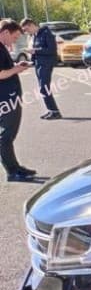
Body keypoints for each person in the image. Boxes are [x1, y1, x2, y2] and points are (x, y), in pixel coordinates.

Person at [0, 19, 35, 182]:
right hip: (6, 99)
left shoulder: (2, 48)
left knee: (8, 136)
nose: (15, 41)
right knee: (6, 136)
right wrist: (17, 69)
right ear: (6, 32)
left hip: (8, 97)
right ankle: (12, 171)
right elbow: (1, 74)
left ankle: (15, 167)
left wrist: (16, 67)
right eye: (14, 37)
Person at [20, 18, 61, 119]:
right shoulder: (35, 35)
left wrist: (35, 51)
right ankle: (51, 110)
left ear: (31, 25)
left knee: (44, 88)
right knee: (43, 88)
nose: (26, 32)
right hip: (39, 64)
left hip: (46, 64)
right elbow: (37, 52)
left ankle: (55, 112)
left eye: (26, 29)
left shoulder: (46, 33)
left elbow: (52, 50)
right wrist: (31, 61)